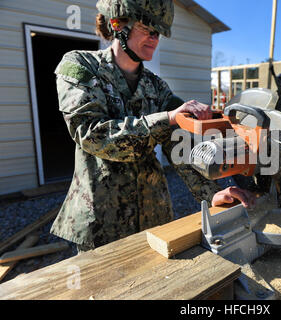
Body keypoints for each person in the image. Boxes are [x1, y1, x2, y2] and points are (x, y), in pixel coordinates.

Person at [50, 0, 255, 253]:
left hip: (153, 216)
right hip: (102, 221)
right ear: (118, 24)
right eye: (148, 30)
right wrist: (167, 117)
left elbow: (181, 146)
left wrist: (212, 192)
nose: (155, 40)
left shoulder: (156, 87)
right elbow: (92, 135)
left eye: (159, 34)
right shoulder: (81, 66)